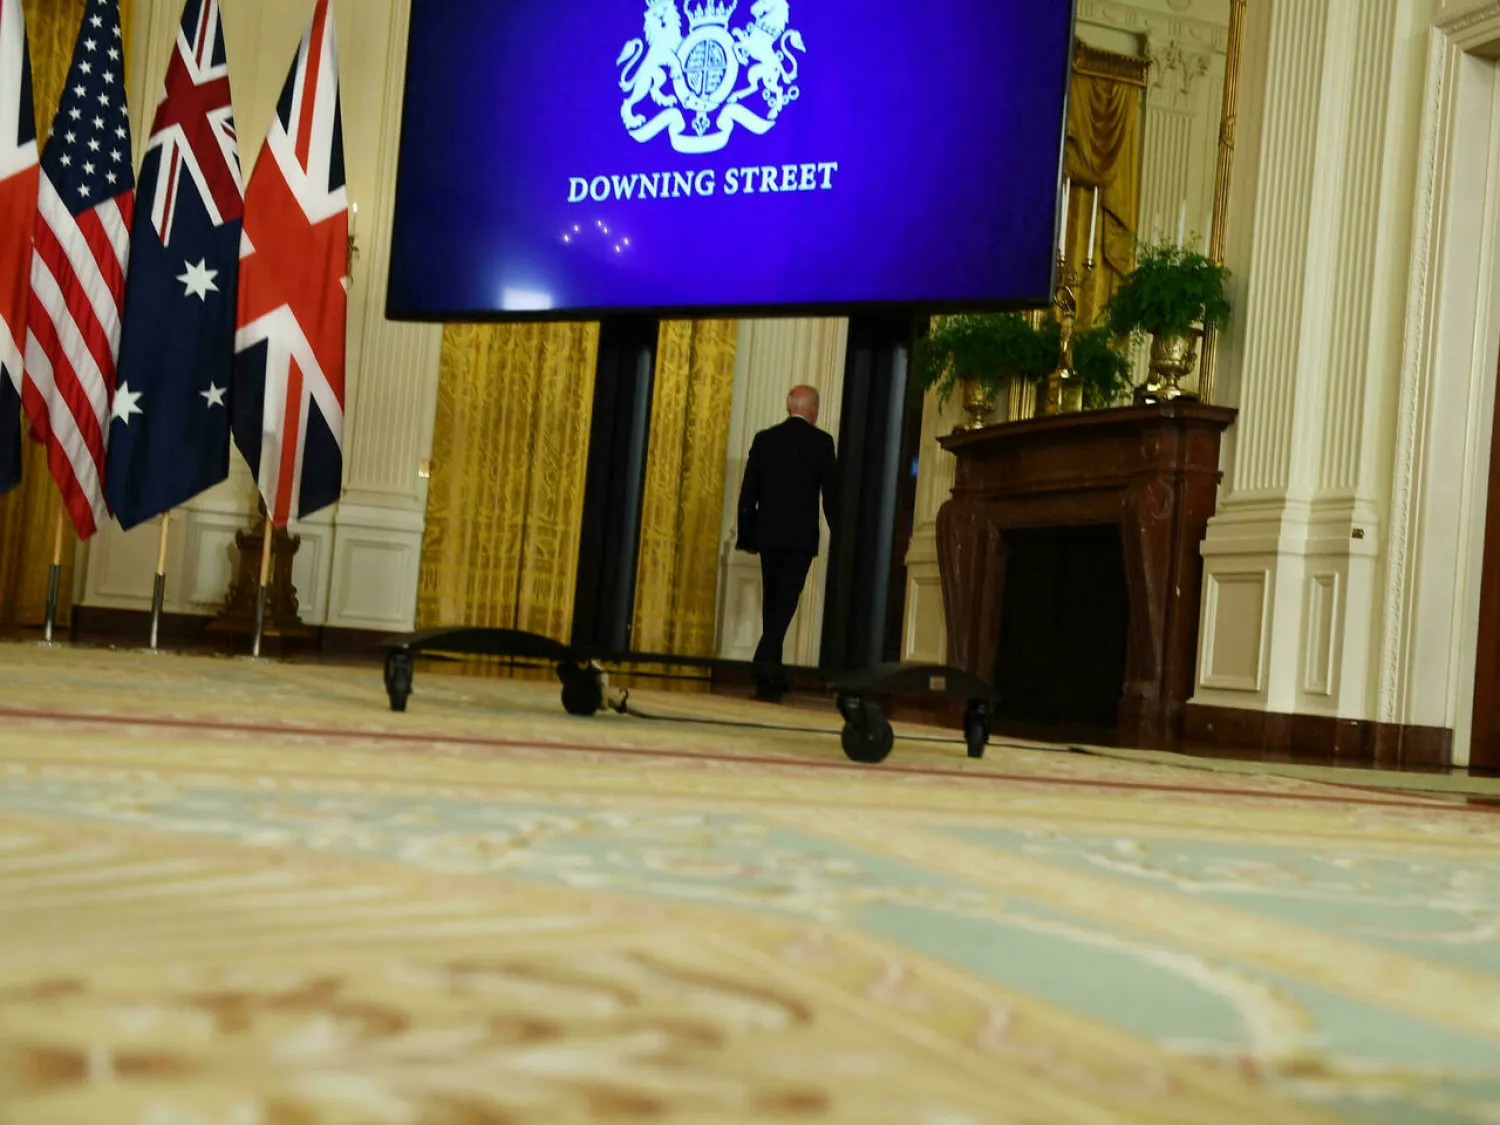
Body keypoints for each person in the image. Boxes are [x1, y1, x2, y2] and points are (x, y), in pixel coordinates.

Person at [735, 385, 838, 701]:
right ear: (814, 410)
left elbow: (748, 493)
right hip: (800, 539)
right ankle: (764, 662)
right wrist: (841, 532)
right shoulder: (822, 443)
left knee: (772, 603)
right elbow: (831, 496)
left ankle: (771, 676)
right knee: (785, 603)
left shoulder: (765, 439)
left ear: (788, 406)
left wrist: (746, 535)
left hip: (767, 535)